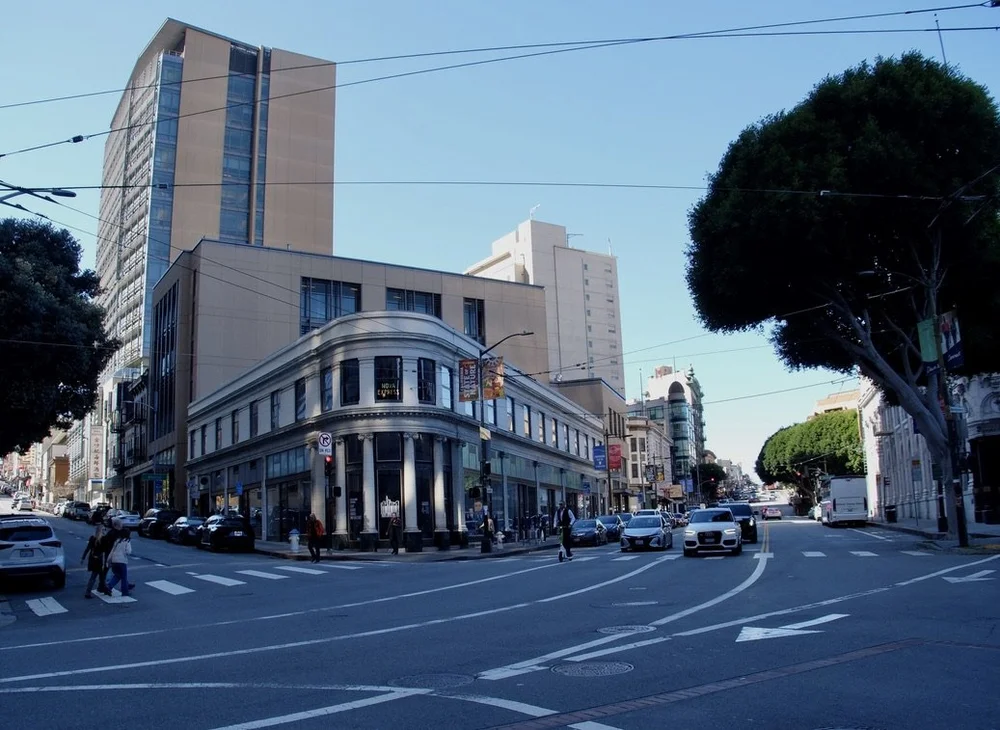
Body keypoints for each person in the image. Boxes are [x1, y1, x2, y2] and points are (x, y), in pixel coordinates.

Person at [104, 523, 133, 597]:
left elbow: (112, 551)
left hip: (114, 560)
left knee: (117, 575)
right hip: (122, 561)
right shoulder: (127, 541)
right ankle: (125, 592)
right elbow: (128, 551)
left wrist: (108, 560)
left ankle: (109, 586)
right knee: (123, 577)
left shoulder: (117, 541)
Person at [81, 524, 106, 599]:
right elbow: (105, 550)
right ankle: (88, 592)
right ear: (100, 531)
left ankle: (103, 588)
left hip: (93, 559)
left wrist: (83, 558)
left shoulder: (92, 538)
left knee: (100, 575)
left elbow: (87, 549)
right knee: (95, 576)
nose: (105, 531)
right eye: (104, 530)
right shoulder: (103, 539)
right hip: (99, 560)